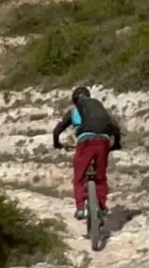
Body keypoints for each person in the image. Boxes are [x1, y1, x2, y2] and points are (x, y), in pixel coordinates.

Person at [52, 84, 122, 222]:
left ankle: (80, 208)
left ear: (75, 100)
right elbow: (115, 127)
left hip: (86, 142)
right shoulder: (99, 108)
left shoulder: (74, 112)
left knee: (79, 177)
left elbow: (57, 130)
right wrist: (117, 144)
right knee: (100, 178)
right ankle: (102, 207)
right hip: (104, 141)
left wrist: (57, 143)